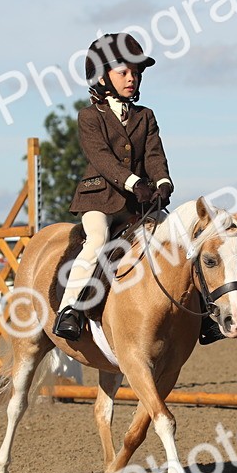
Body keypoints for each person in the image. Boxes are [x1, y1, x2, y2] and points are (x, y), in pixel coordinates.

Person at [52, 33, 175, 341]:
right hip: (100, 199)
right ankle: (70, 310)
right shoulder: (90, 116)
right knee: (97, 239)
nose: (131, 78)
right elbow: (102, 159)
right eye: (123, 72)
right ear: (103, 77)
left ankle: (200, 311)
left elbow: (154, 155)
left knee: (175, 237)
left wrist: (162, 183)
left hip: (139, 204)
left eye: (135, 73)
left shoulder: (145, 116)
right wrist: (134, 183)